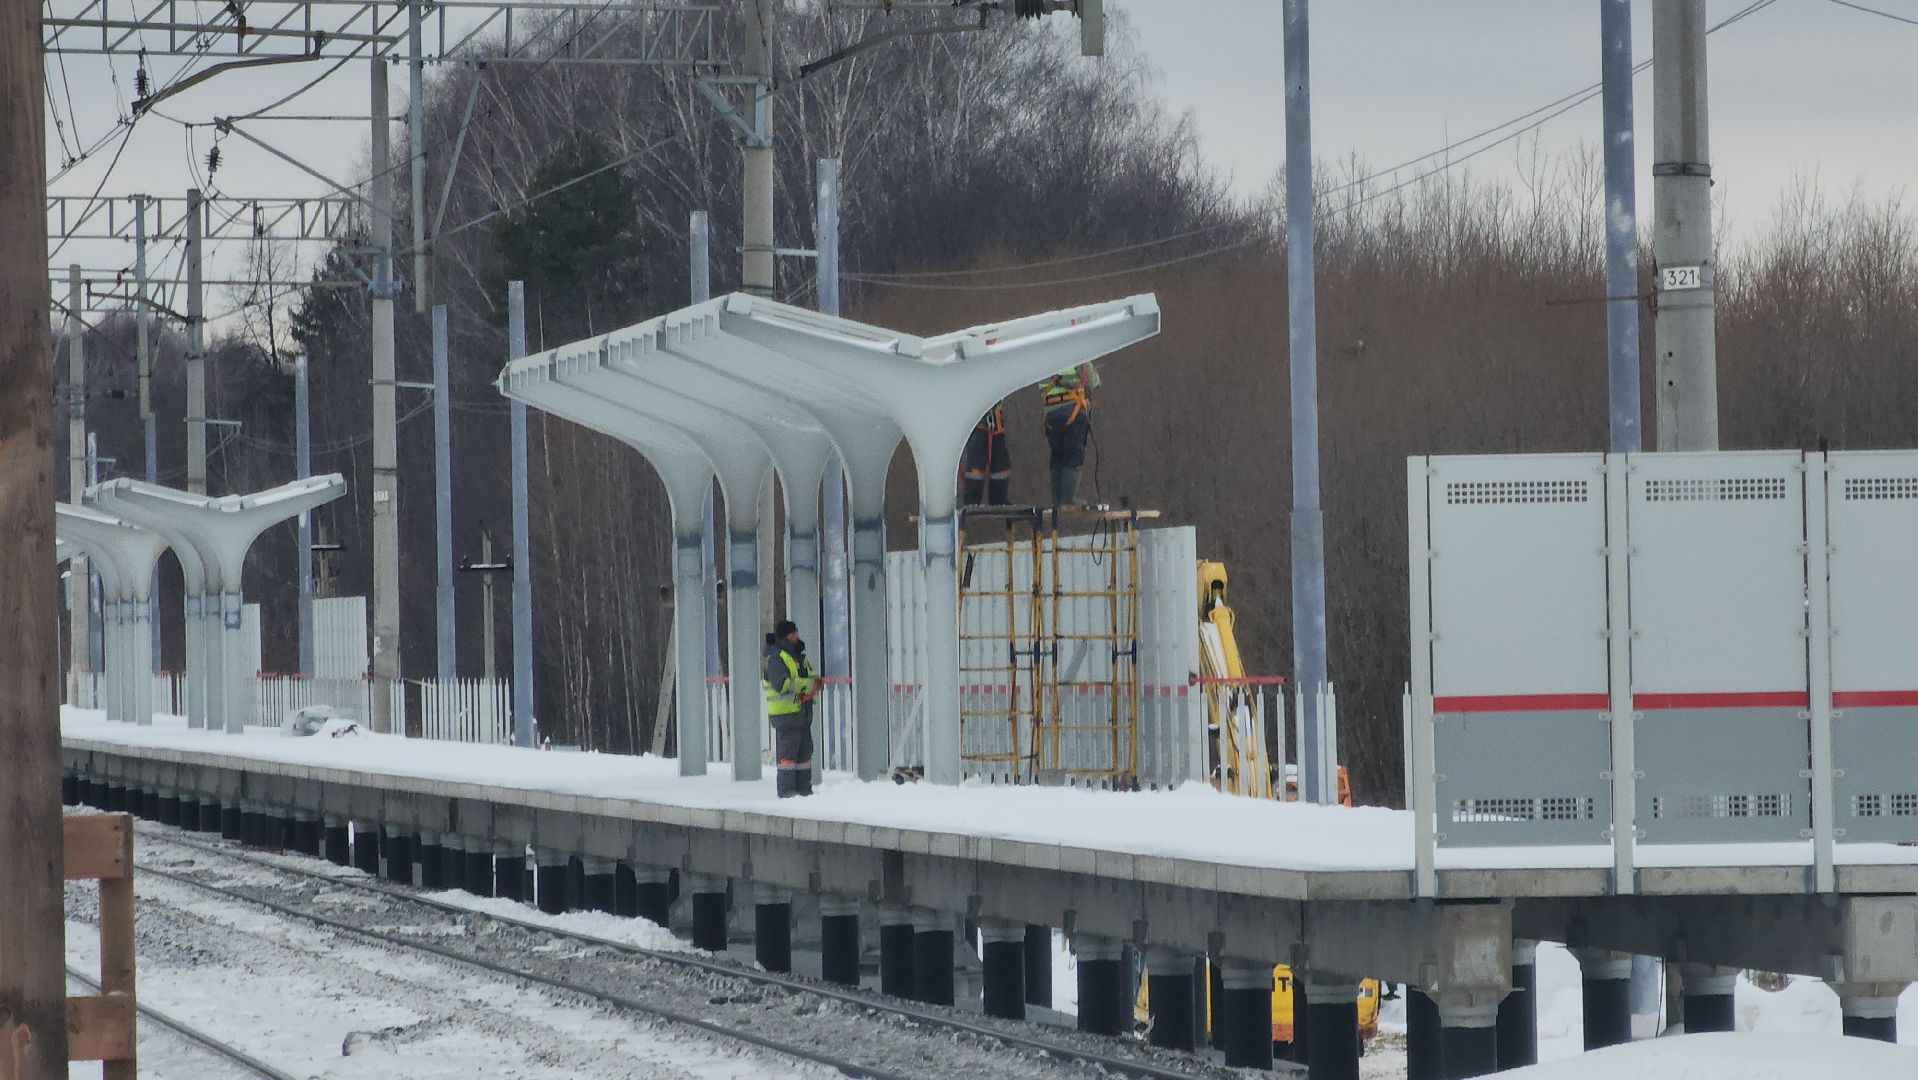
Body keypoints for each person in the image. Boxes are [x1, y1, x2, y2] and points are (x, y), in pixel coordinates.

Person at [762, 619, 816, 797]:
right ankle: (787, 792)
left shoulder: (799, 655)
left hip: (801, 714)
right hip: (786, 715)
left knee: (804, 755)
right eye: (794, 633)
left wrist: (816, 683)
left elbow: (810, 676)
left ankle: (804, 790)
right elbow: (781, 683)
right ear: (788, 635)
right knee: (788, 757)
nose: (797, 635)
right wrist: (808, 686)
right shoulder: (777, 657)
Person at [1042, 362, 1101, 507]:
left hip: (1051, 412)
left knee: (1057, 455)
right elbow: (1092, 380)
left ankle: (1056, 500)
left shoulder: (1040, 350)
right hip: (1073, 407)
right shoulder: (1074, 347)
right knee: (1073, 453)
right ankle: (1068, 498)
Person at [961, 403, 1012, 506]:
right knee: (975, 467)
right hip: (976, 421)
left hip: (995, 421)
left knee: (1001, 465)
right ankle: (971, 500)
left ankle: (999, 500)